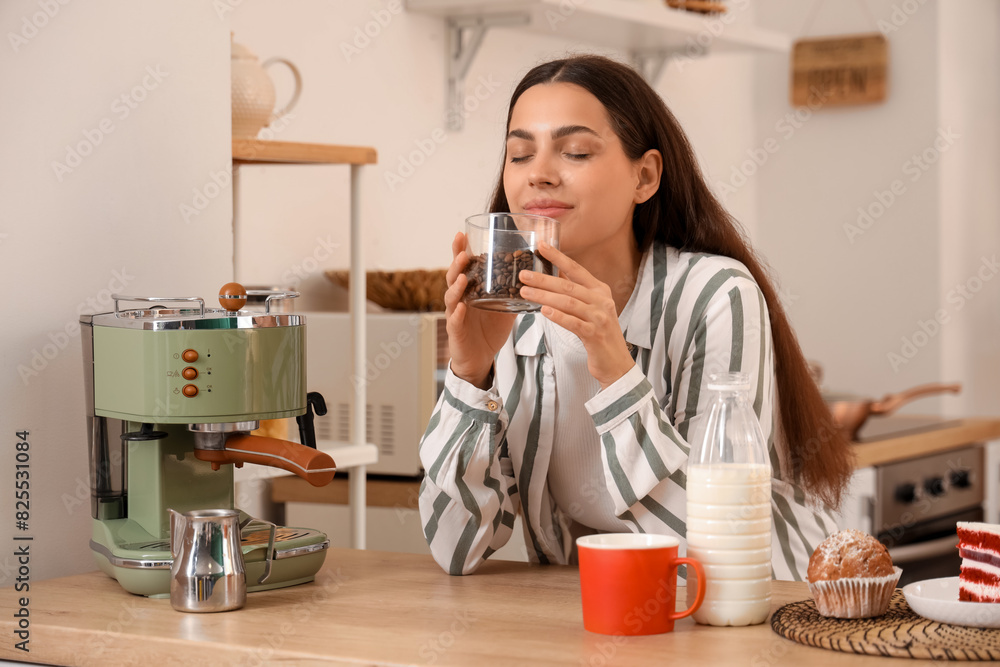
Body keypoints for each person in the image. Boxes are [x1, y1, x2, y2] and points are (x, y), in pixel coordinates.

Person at [418, 54, 854, 581]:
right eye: (519, 154)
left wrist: (616, 372)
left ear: (644, 176)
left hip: (772, 608)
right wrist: (470, 376)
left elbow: (715, 549)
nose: (540, 175)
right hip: (616, 614)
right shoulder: (513, 315)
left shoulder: (715, 294)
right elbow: (456, 548)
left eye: (575, 151)